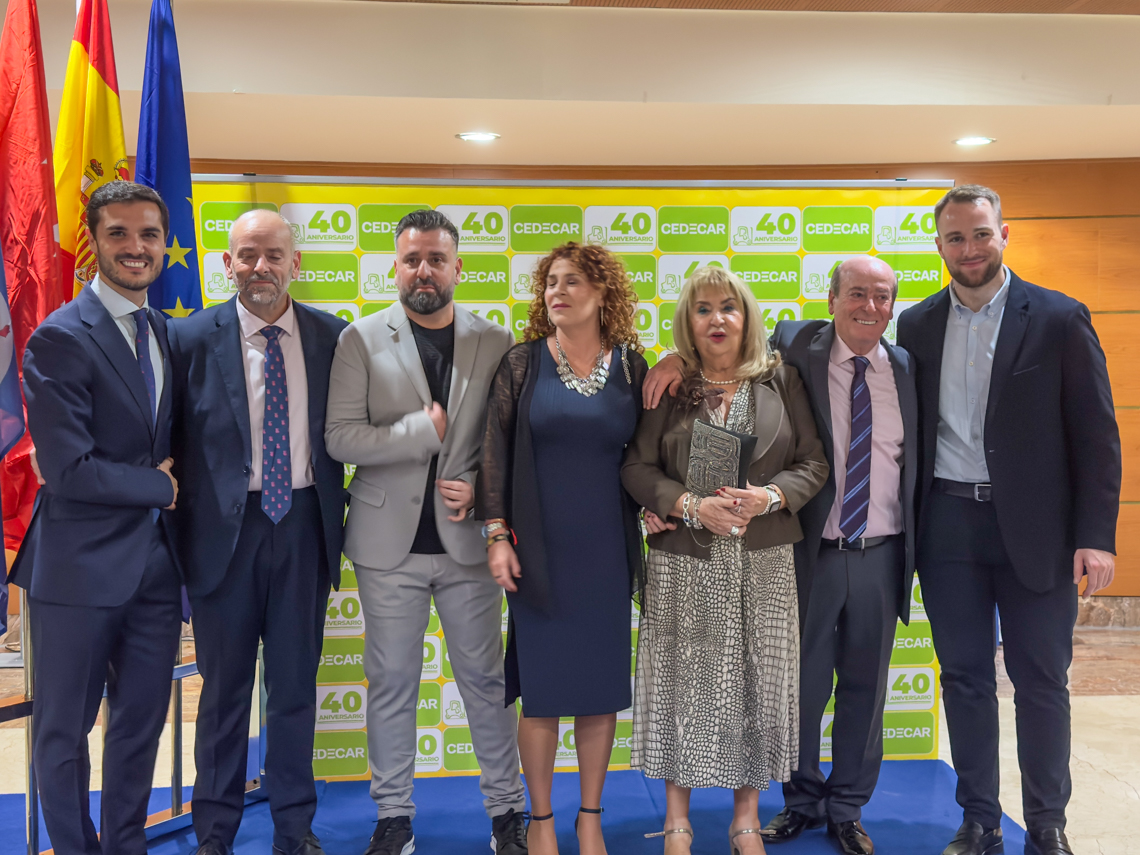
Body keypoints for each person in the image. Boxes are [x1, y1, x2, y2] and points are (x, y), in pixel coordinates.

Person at [896, 185, 1121, 855]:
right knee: (963, 678)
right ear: (939, 245)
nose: (970, 248)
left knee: (1040, 680)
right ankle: (980, 819)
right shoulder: (916, 324)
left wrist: (1096, 535)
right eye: (956, 237)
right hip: (948, 528)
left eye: (981, 233)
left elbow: (1097, 436)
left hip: (1040, 535)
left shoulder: (1058, 317)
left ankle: (1047, 824)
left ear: (1004, 234)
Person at [324, 209, 527, 855]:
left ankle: (507, 813)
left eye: (436, 259)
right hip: (388, 548)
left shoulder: (494, 340)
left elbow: (512, 441)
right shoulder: (360, 337)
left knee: (486, 685)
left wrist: (483, 490)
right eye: (412, 258)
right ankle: (393, 818)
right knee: (391, 683)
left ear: (458, 266)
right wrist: (418, 432)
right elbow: (338, 437)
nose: (424, 270)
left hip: (469, 546)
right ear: (395, 265)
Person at [621, 266, 829, 855]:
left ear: (747, 318)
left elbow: (813, 463)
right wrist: (685, 505)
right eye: (703, 309)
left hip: (763, 562)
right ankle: (677, 822)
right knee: (681, 687)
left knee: (760, 686)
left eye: (728, 308)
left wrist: (768, 496)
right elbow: (637, 467)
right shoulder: (671, 385)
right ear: (689, 320)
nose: (717, 320)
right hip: (685, 560)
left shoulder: (781, 380)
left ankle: (745, 819)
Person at [167, 209, 348, 855]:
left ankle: (293, 830)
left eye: (273, 254)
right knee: (223, 695)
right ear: (227, 263)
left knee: (295, 691)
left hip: (304, 527)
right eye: (247, 255)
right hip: (223, 536)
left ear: (295, 261)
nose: (260, 267)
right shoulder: (189, 338)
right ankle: (213, 832)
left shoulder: (333, 336)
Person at [10, 182, 182, 855]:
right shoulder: (59, 337)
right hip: (75, 572)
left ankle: (126, 846)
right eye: (118, 233)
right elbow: (69, 468)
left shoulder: (165, 330)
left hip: (157, 572)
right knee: (63, 731)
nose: (135, 248)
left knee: (140, 726)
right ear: (94, 242)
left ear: (164, 244)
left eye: (147, 235)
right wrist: (161, 490)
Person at [479, 242, 649, 855]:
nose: (558, 290)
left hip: (605, 550)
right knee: (545, 691)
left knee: (599, 689)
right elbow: (492, 454)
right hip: (538, 548)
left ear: (604, 293)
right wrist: (496, 533)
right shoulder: (521, 363)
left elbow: (647, 454)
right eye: (551, 281)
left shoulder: (632, 365)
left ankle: (590, 819)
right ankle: (543, 822)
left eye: (574, 281)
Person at [763, 256, 919, 855]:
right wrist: (674, 360)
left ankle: (848, 807)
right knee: (799, 688)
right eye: (857, 294)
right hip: (810, 553)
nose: (870, 308)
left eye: (883, 297)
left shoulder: (905, 366)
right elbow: (723, 346)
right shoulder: (793, 344)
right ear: (831, 300)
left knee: (866, 688)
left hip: (881, 554)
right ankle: (800, 802)